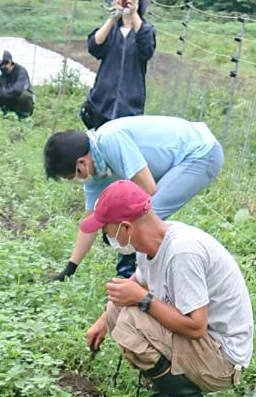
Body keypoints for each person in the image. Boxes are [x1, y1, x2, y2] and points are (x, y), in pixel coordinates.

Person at [80, 181, 253, 397]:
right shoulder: (150, 241)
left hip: (222, 360)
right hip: (203, 345)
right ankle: (167, 382)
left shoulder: (182, 253)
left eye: (106, 232)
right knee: (116, 309)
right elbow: (138, 281)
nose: (106, 237)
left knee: (132, 319)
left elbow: (196, 327)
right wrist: (103, 322)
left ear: (125, 228)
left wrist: (143, 299)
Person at [43, 115, 224, 281]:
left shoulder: (111, 140)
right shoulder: (96, 172)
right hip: (187, 154)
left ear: (81, 164)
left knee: (146, 215)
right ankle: (135, 276)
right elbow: (89, 224)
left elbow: (148, 189)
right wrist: (69, 269)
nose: (74, 180)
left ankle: (143, 279)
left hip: (201, 153)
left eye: (70, 176)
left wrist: (116, 226)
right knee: (134, 222)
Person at [80, 0, 156, 130]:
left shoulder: (145, 30)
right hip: (103, 100)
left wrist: (134, 14)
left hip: (130, 102)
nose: (126, 1)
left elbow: (147, 50)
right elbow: (94, 47)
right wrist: (112, 18)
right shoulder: (111, 30)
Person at [0, 51, 34, 119]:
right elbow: (1, 90)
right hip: (9, 101)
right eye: (0, 65)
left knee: (24, 95)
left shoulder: (21, 71)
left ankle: (23, 116)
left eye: (2, 65)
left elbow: (17, 90)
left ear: (9, 62)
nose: (1, 67)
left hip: (21, 102)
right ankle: (2, 113)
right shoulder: (2, 77)